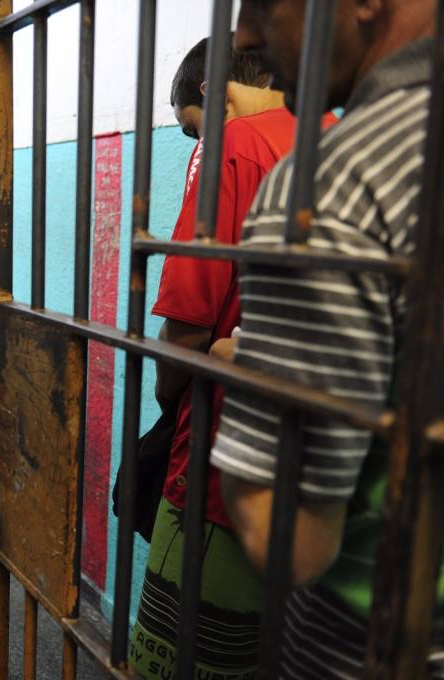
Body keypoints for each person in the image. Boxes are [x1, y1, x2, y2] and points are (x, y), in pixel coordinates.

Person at [210, 0, 444, 677]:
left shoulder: (329, 184)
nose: (245, 35)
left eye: (261, 3)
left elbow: (291, 541)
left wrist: (246, 370)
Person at [130, 36, 334, 680]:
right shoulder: (334, 138)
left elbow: (186, 329)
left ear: (213, 97)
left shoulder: (233, 147)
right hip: (313, 461)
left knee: (178, 656)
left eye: (194, 131)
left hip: (222, 459)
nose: (197, 148)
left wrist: (169, 408)